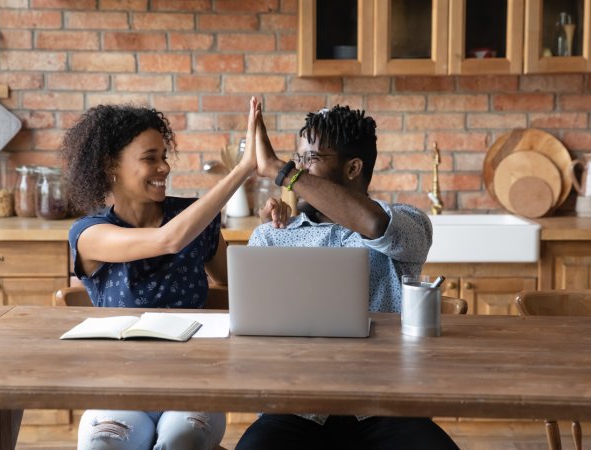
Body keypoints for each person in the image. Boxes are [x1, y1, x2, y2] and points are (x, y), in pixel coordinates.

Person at [235, 105, 459, 450]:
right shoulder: (273, 236)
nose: (298, 169)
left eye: (310, 160)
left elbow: (375, 225)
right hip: (296, 408)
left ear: (353, 167)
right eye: (297, 159)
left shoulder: (409, 224)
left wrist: (281, 171)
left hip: (386, 407)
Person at [62, 97, 260, 450]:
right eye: (149, 158)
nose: (164, 168)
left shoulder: (194, 219)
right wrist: (243, 169)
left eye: (164, 156)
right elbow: (168, 240)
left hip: (192, 386)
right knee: (103, 445)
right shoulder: (89, 233)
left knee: (180, 442)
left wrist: (279, 229)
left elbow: (238, 281)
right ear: (112, 164)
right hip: (119, 389)